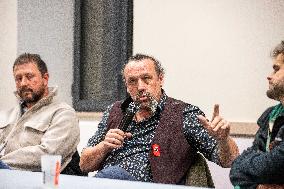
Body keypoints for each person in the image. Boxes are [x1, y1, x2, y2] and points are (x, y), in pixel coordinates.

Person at [80, 53, 239, 184]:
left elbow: (229, 161)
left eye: (146, 78)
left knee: (114, 174)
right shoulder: (115, 111)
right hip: (106, 182)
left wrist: (223, 140)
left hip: (148, 184)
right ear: (127, 86)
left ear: (160, 79)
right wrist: (104, 147)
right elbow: (84, 165)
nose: (141, 87)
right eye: (133, 81)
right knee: (110, 175)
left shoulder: (184, 114)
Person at [0, 53, 80, 172]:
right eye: (18, 78)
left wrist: (2, 162)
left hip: (38, 182)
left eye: (29, 76)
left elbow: (50, 154)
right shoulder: (7, 115)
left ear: (45, 79)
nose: (23, 83)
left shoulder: (63, 114)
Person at [230, 41, 284, 189]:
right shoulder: (270, 115)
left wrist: (254, 169)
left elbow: (275, 165)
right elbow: (236, 170)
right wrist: (259, 187)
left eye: (276, 69)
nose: (269, 76)